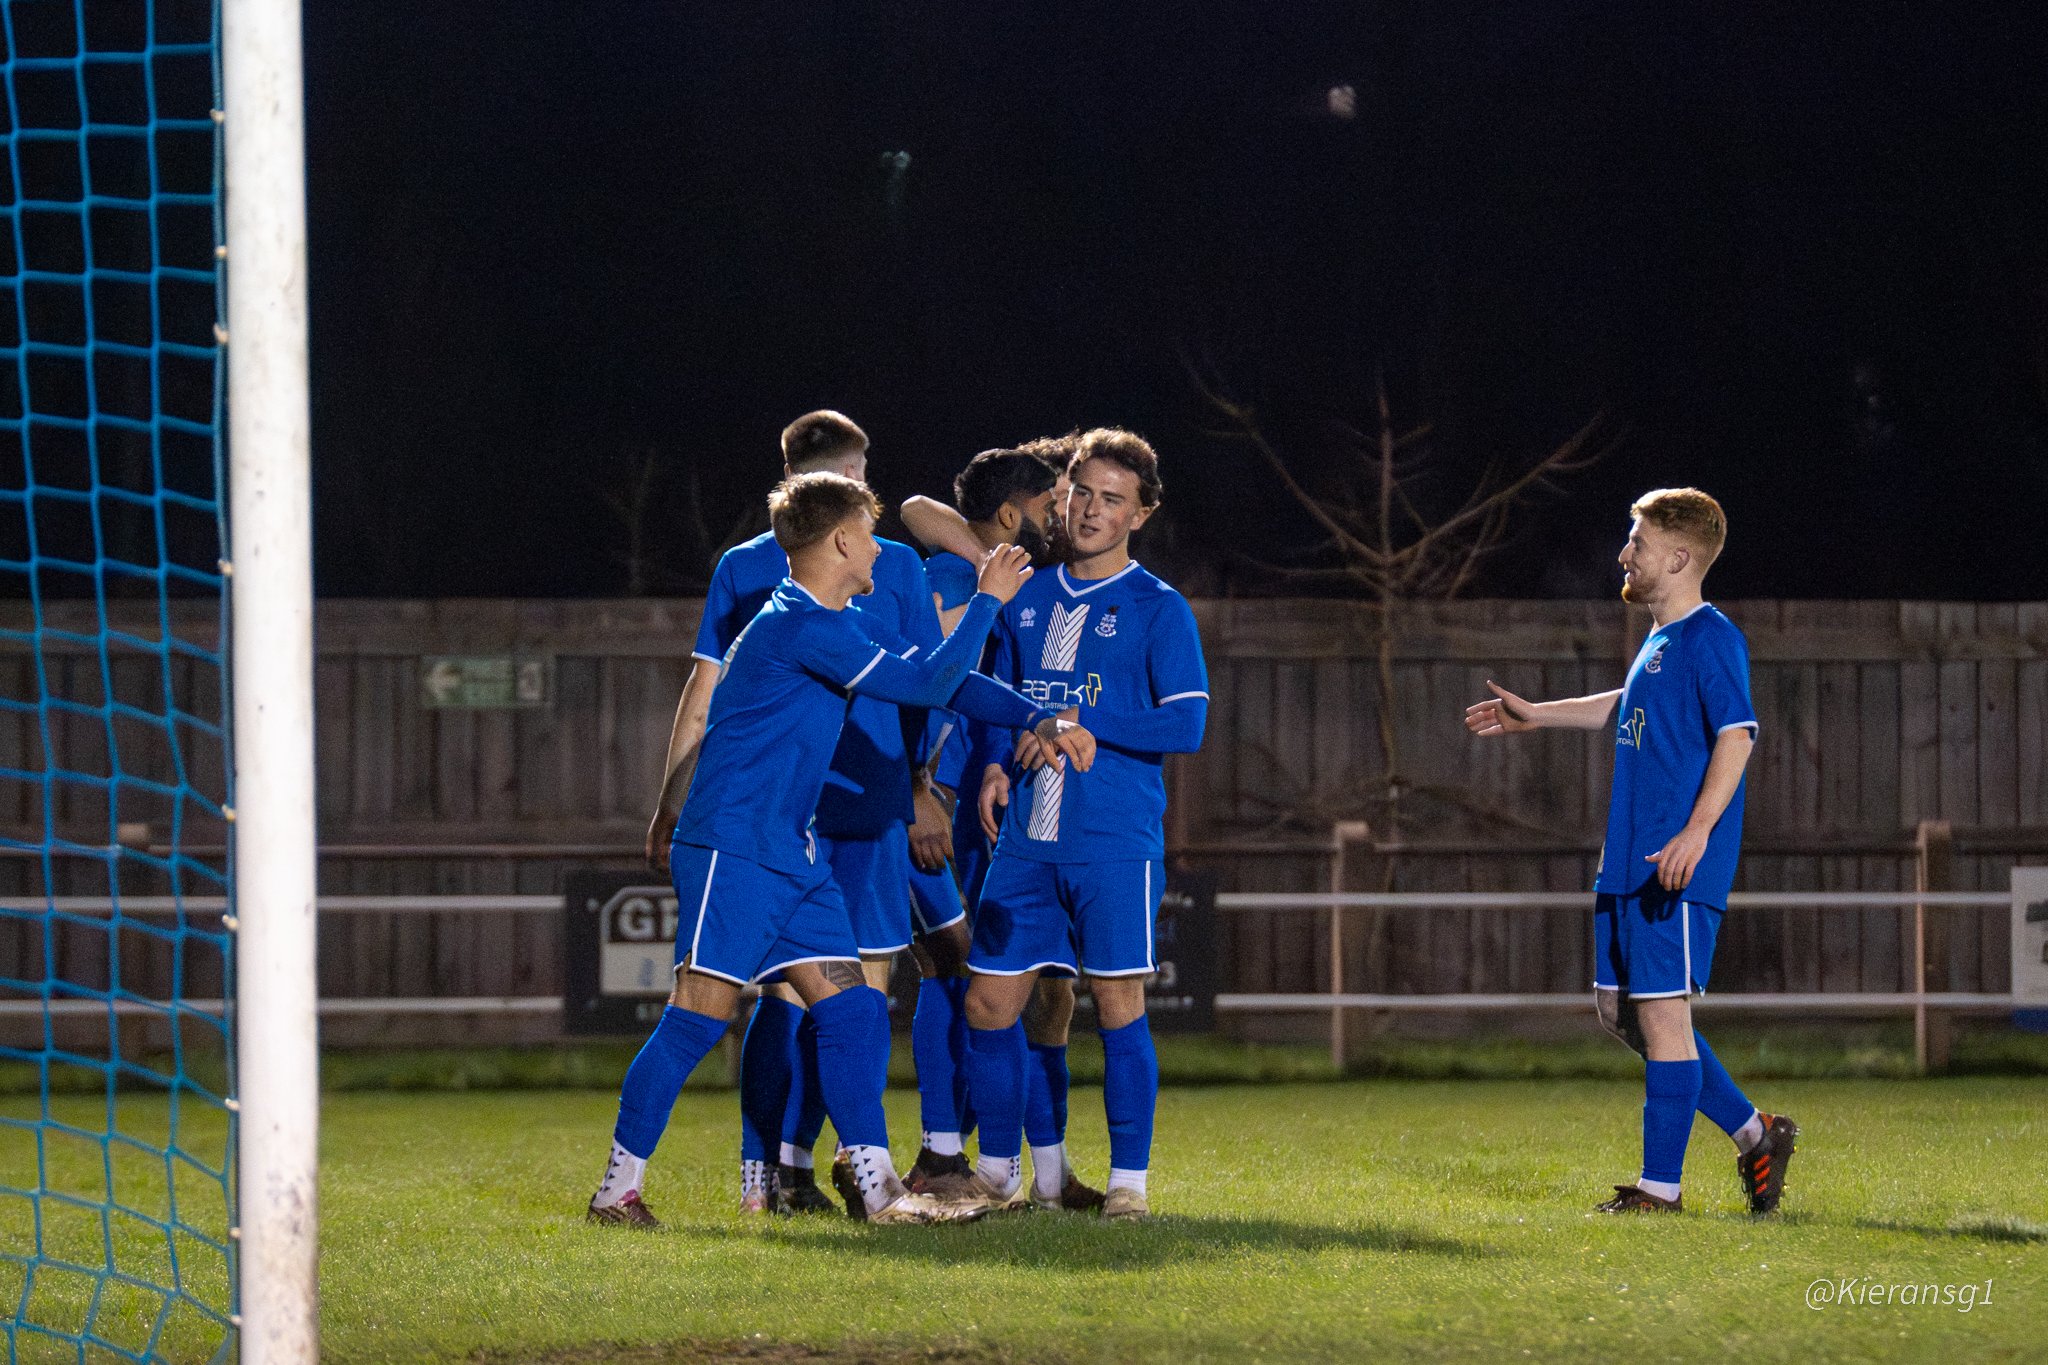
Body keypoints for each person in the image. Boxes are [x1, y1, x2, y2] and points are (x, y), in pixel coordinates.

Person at [589, 472, 1093, 1227]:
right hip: (733, 846)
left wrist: (1038, 716)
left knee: (854, 1007)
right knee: (696, 1015)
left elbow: (940, 683)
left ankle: (883, 1191)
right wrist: (986, 598)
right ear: (841, 541)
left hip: (791, 853)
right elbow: (929, 683)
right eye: (869, 533)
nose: (881, 553)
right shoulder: (800, 623)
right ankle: (615, 1192)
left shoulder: (831, 620)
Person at [644, 410, 951, 1215]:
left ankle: (857, 1182)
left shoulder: (818, 571)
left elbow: (703, 694)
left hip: (808, 828)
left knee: (845, 1001)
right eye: (862, 482)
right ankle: (763, 1174)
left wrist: (667, 799)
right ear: (845, 496)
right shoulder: (803, 585)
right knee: (725, 1009)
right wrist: (923, 785)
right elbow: (928, 685)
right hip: (785, 822)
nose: (871, 507)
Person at [1463, 487, 1798, 1215]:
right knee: (1620, 1011)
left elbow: (1738, 735)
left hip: (1672, 863)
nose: (1624, 553)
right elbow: (1625, 702)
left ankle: (1659, 1189)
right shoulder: (1659, 642)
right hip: (1626, 865)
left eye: (1637, 542)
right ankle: (1756, 1132)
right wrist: (1536, 716)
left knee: (1662, 1015)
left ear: (1679, 556)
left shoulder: (1713, 637)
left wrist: (1697, 831)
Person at [957, 429, 1209, 1221]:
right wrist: (998, 760)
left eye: (1112, 499)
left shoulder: (1158, 607)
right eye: (1081, 493)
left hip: (1113, 843)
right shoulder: (1025, 593)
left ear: (1141, 513)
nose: (1092, 510)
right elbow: (1002, 695)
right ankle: (1000, 1176)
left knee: (1117, 1003)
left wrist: (1081, 715)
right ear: (1060, 497)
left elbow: (1187, 725)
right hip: (1028, 836)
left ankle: (1128, 1183)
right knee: (989, 1003)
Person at [897, 443, 1104, 1210]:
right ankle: (941, 1153)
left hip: (1001, 807)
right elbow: (926, 680)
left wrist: (995, 760)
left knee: (1043, 994)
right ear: (1017, 512)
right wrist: (921, 783)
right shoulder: (958, 576)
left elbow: (993, 692)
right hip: (925, 810)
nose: (1070, 513)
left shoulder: (1041, 589)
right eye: (1058, 501)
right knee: (953, 976)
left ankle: (1043, 1174)